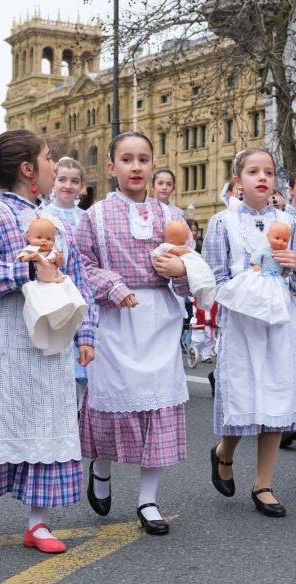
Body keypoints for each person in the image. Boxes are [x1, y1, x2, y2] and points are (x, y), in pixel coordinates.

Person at [0, 129, 97, 553]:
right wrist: (27, 271)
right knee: (2, 416)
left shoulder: (56, 221)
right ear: (27, 170)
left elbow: (80, 281)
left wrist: (86, 332)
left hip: (51, 340)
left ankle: (37, 523)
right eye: (48, 157)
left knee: (49, 422)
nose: (55, 164)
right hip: (7, 340)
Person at [77, 132, 192, 535]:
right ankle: (103, 470)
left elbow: (191, 263)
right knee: (113, 406)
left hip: (159, 317)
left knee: (158, 409)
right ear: (112, 167)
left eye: (144, 159)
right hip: (116, 319)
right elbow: (82, 265)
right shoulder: (93, 217)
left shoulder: (171, 217)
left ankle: (148, 499)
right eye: (127, 159)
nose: (137, 167)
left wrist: (182, 272)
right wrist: (113, 285)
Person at [203, 147, 296, 517]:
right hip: (242, 320)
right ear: (238, 181)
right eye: (253, 172)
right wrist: (246, 285)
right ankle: (224, 452)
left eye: (268, 172)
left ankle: (263, 484)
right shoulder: (223, 223)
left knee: (277, 398)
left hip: (281, 320)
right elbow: (214, 277)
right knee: (243, 397)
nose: (262, 178)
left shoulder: (293, 222)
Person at [45, 157, 89, 398]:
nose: (68, 186)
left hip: (82, 286)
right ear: (53, 182)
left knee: (84, 346)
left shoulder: (87, 217)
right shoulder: (44, 215)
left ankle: (81, 411)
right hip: (57, 288)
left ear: (82, 186)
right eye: (62, 179)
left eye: (74, 181)